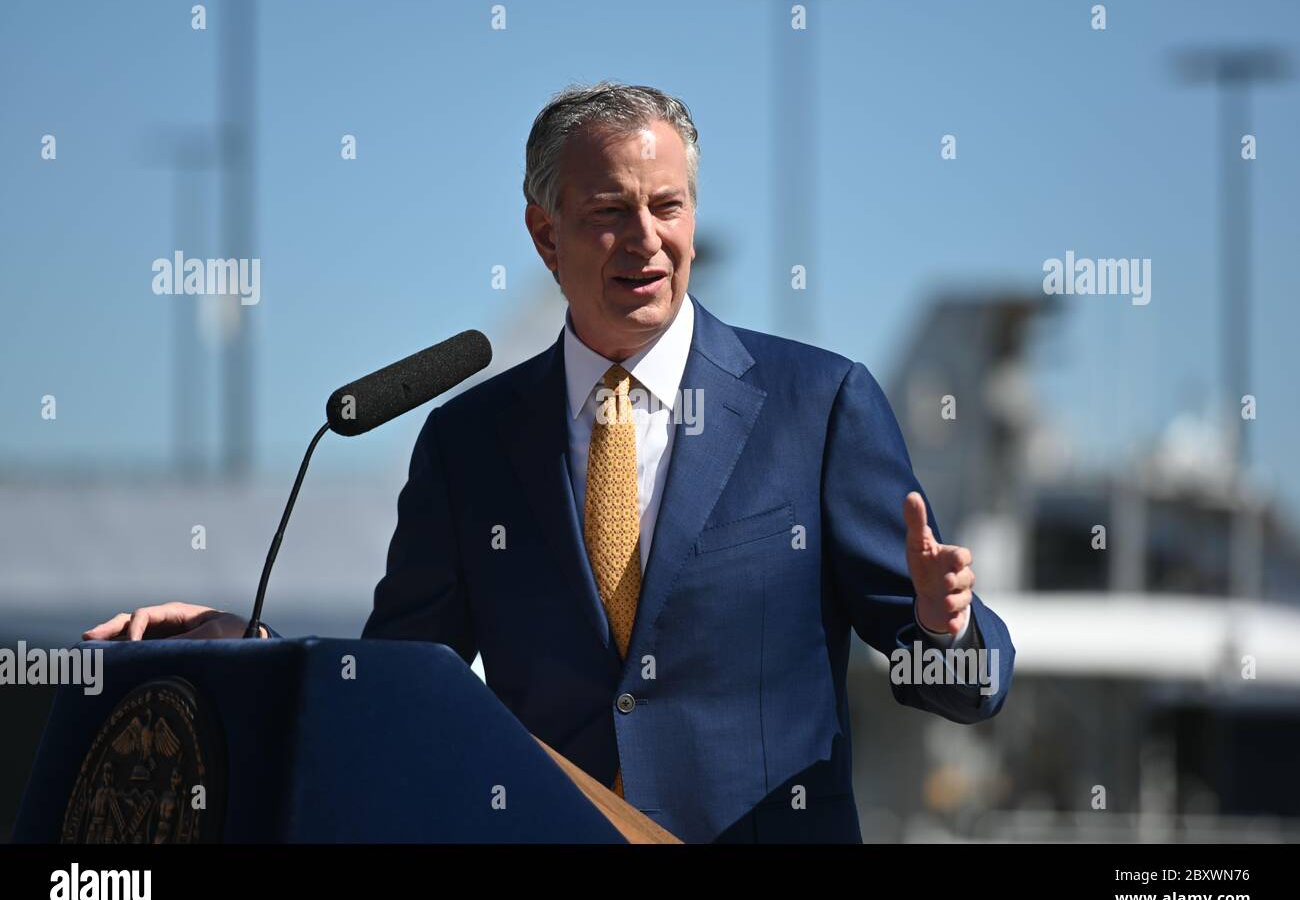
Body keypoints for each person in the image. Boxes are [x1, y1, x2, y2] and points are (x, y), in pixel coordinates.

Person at [86, 81, 1015, 843]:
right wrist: (245, 653)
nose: (647, 239)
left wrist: (944, 631)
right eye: (610, 211)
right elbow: (403, 687)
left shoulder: (819, 405)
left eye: (668, 206)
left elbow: (968, 692)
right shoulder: (467, 443)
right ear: (545, 234)